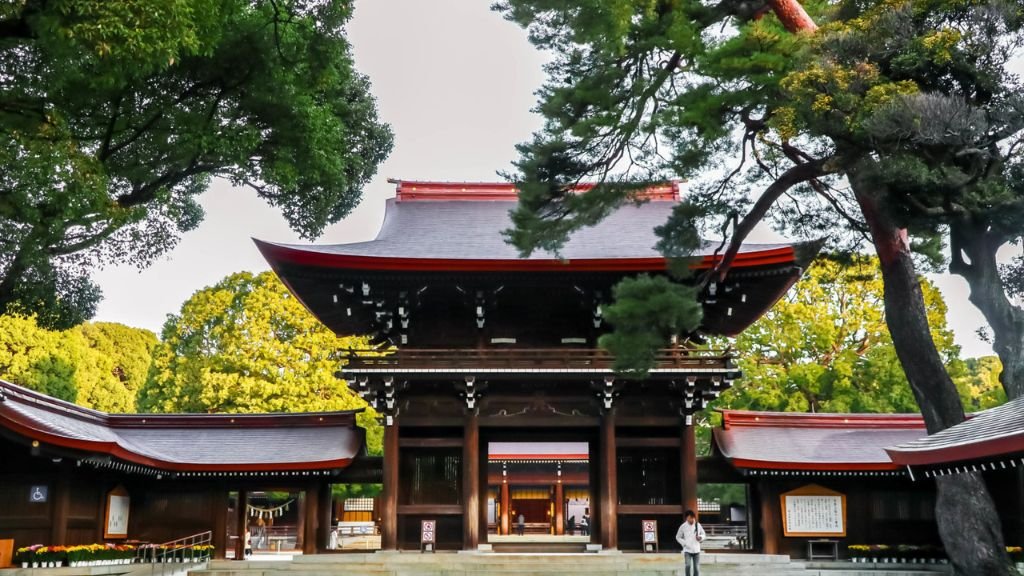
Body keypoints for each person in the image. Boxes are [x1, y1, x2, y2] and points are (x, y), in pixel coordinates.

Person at [675, 510, 705, 576]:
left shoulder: (698, 525)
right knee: (688, 565)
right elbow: (677, 537)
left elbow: (703, 534)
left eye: (691, 518)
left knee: (696, 568)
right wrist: (684, 543)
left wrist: (700, 537)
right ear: (686, 518)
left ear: (694, 517)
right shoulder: (683, 526)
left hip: (696, 549)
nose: (690, 520)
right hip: (687, 550)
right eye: (688, 518)